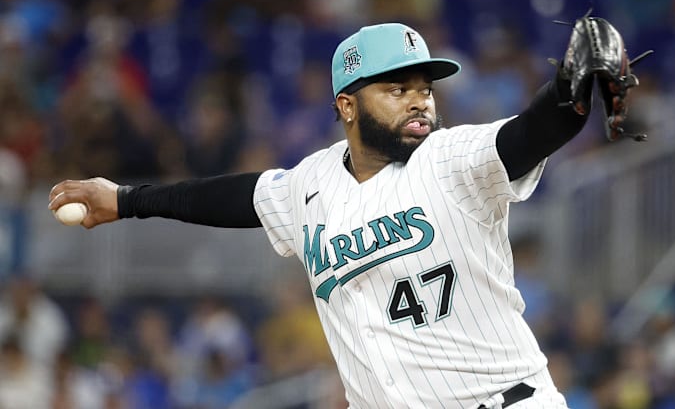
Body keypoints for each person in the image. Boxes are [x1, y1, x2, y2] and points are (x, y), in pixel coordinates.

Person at [49, 22, 629, 408]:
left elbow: (530, 134)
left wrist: (569, 94)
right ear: (347, 106)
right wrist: (127, 201)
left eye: (424, 88)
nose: (420, 100)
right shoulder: (311, 185)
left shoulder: (453, 159)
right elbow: (229, 197)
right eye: (397, 88)